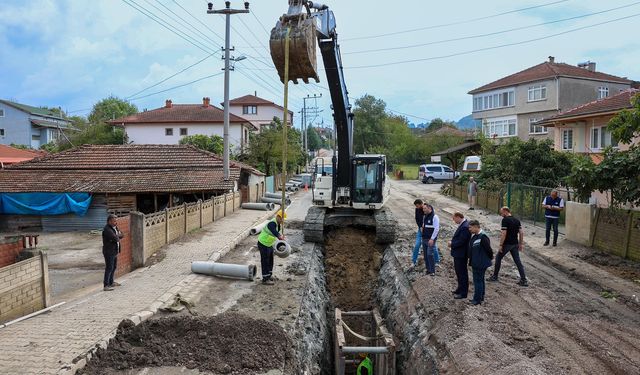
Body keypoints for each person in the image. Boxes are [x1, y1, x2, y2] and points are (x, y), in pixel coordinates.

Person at [489, 207, 528, 286]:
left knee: (498, 258)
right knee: (518, 261)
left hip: (507, 244)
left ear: (505, 211)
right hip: (515, 244)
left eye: (501, 212)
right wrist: (520, 244)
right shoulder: (517, 220)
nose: (501, 214)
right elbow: (521, 233)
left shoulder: (505, 220)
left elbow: (504, 233)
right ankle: (523, 280)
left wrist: (500, 245)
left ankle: (495, 276)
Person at [257, 210, 286, 285]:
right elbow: (274, 231)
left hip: (269, 244)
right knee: (265, 261)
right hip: (263, 243)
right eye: (282, 219)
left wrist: (281, 236)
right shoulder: (272, 223)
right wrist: (279, 236)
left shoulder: (278, 224)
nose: (283, 220)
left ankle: (269, 275)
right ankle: (265, 279)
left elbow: (277, 232)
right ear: (279, 217)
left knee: (270, 260)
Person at [467, 220, 493, 305]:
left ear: (475, 226)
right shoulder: (475, 236)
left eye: (470, 227)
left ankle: (477, 300)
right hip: (477, 262)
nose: (469, 229)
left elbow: (489, 250)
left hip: (480, 263)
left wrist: (486, 259)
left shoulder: (483, 237)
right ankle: (481, 297)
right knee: (480, 280)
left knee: (477, 281)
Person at [449, 212, 470, 299]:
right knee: (459, 272)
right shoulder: (464, 224)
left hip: (461, 254)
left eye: (454, 219)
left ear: (458, 217)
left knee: (462, 273)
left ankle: (463, 293)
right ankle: (459, 288)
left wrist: (452, 244)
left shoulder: (465, 227)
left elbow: (462, 241)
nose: (454, 221)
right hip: (459, 253)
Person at [102, 214, 124, 291]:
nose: (116, 222)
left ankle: (111, 282)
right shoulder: (107, 229)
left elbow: (122, 235)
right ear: (109, 221)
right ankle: (106, 285)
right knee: (109, 267)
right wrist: (117, 235)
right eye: (114, 221)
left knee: (113, 267)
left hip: (114, 251)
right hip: (109, 251)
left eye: (116, 220)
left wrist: (118, 235)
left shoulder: (114, 228)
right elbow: (116, 238)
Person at [422, 204, 440, 276]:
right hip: (424, 238)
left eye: (425, 208)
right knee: (426, 255)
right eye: (423, 209)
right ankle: (428, 269)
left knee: (430, 254)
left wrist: (432, 239)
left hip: (430, 239)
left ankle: (432, 271)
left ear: (429, 208)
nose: (423, 210)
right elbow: (424, 226)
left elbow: (436, 229)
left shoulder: (435, 217)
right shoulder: (425, 216)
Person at [411, 199, 425, 269]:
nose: (417, 207)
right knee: (417, 245)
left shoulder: (427, 208)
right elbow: (417, 219)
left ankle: (436, 261)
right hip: (420, 229)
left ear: (421, 204)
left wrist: (424, 226)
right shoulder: (417, 210)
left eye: (417, 206)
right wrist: (420, 227)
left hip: (428, 231)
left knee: (432, 247)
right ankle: (413, 261)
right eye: (416, 206)